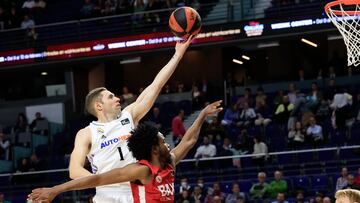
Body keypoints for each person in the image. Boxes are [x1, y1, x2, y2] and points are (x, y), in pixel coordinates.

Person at [67, 37, 194, 202]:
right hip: (107, 196)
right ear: (99, 106)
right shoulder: (86, 133)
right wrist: (106, 181)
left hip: (136, 193)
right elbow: (74, 171)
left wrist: (177, 55)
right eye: (111, 97)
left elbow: (156, 85)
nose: (117, 98)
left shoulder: (129, 115)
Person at [28, 101, 223, 203]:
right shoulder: (141, 170)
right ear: (154, 148)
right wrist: (55, 190)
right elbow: (96, 180)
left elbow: (189, 140)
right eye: (164, 142)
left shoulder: (168, 162)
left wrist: (203, 114)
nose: (169, 146)